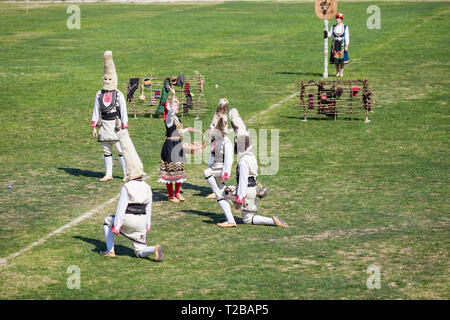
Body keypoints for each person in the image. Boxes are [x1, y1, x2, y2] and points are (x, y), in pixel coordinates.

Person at [100, 128, 163, 261]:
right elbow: (149, 207)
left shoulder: (127, 187)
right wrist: (148, 225)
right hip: (141, 222)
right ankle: (154, 249)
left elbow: (121, 207)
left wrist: (117, 226)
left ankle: (110, 250)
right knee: (139, 251)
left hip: (127, 220)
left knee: (107, 221)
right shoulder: (147, 186)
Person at [220, 108, 288, 228]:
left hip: (247, 191)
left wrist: (239, 201)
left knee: (247, 219)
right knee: (225, 191)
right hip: (253, 189)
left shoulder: (243, 162)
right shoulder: (251, 157)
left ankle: (272, 221)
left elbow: (243, 182)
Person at [91, 51, 128, 182]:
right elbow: (96, 110)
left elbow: (123, 111)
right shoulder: (99, 94)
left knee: (120, 150)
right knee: (106, 150)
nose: (107, 81)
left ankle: (126, 174)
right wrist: (94, 126)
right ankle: (108, 173)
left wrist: (124, 125)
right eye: (105, 79)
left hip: (116, 125)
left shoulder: (119, 95)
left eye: (110, 79)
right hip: (104, 125)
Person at [157, 86, 194, 202]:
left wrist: (187, 129)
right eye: (175, 105)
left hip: (177, 144)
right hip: (170, 146)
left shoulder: (176, 119)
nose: (177, 107)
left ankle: (177, 193)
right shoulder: (169, 118)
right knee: (170, 171)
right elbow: (171, 112)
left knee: (179, 169)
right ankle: (171, 195)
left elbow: (178, 132)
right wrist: (172, 95)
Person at [203, 98, 235, 227]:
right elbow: (212, 156)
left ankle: (227, 190)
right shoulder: (215, 141)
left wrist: (226, 173)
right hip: (215, 168)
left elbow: (229, 159)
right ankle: (231, 220)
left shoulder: (226, 142)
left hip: (221, 171)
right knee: (221, 196)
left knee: (207, 173)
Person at [328, 12, 350, 77]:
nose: (337, 19)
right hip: (335, 43)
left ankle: (341, 72)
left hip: (342, 44)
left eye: (339, 18)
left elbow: (347, 37)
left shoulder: (345, 27)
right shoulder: (333, 27)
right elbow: (329, 35)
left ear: (341, 19)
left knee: (342, 60)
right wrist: (326, 29)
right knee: (336, 59)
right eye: (337, 18)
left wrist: (346, 46)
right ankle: (337, 72)